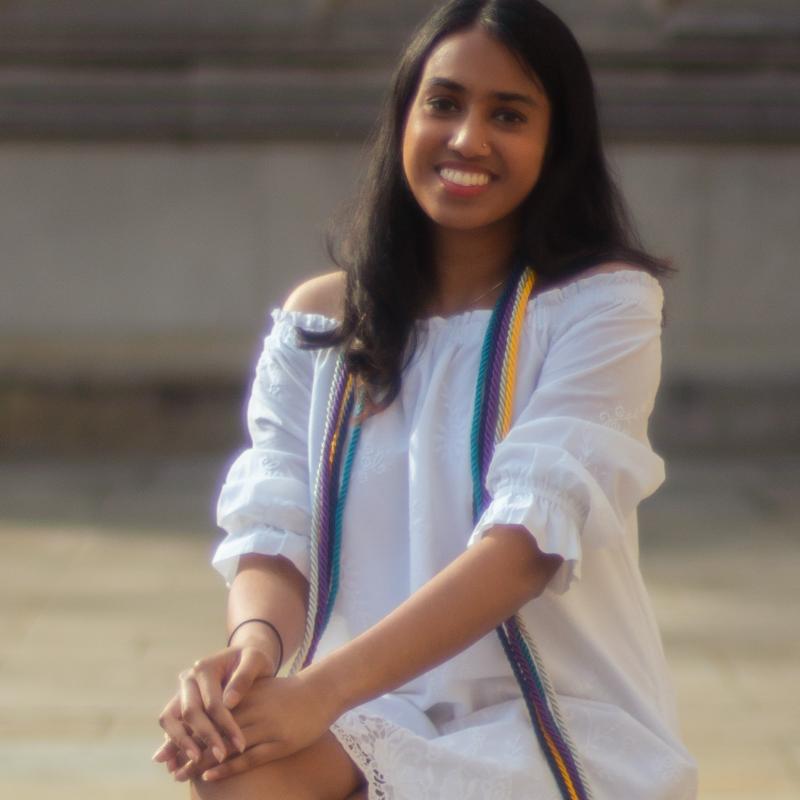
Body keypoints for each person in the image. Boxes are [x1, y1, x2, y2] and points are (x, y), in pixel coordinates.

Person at [154, 1, 698, 797]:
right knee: (235, 771)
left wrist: (320, 692)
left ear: (557, 144)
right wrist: (252, 660)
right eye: (443, 103)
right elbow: (276, 523)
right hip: (381, 705)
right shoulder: (320, 321)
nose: (467, 139)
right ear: (404, 118)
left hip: (552, 717)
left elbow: (524, 545)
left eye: (508, 114)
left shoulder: (602, 305)